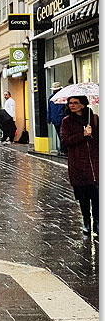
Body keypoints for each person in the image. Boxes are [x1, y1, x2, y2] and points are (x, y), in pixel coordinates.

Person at [60, 96, 99, 237]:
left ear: (83, 105)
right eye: (70, 103)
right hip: (78, 164)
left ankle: (98, 223)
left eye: (75, 103)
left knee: (97, 195)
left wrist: (92, 134)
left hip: (94, 165)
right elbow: (65, 142)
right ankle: (86, 222)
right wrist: (83, 134)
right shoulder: (66, 122)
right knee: (83, 197)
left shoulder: (94, 119)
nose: (72, 105)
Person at [47, 82, 67, 155]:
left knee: (63, 135)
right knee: (59, 134)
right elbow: (49, 109)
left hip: (62, 119)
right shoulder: (51, 98)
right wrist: (49, 118)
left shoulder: (64, 97)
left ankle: (63, 149)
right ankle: (62, 149)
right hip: (55, 119)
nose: (54, 91)